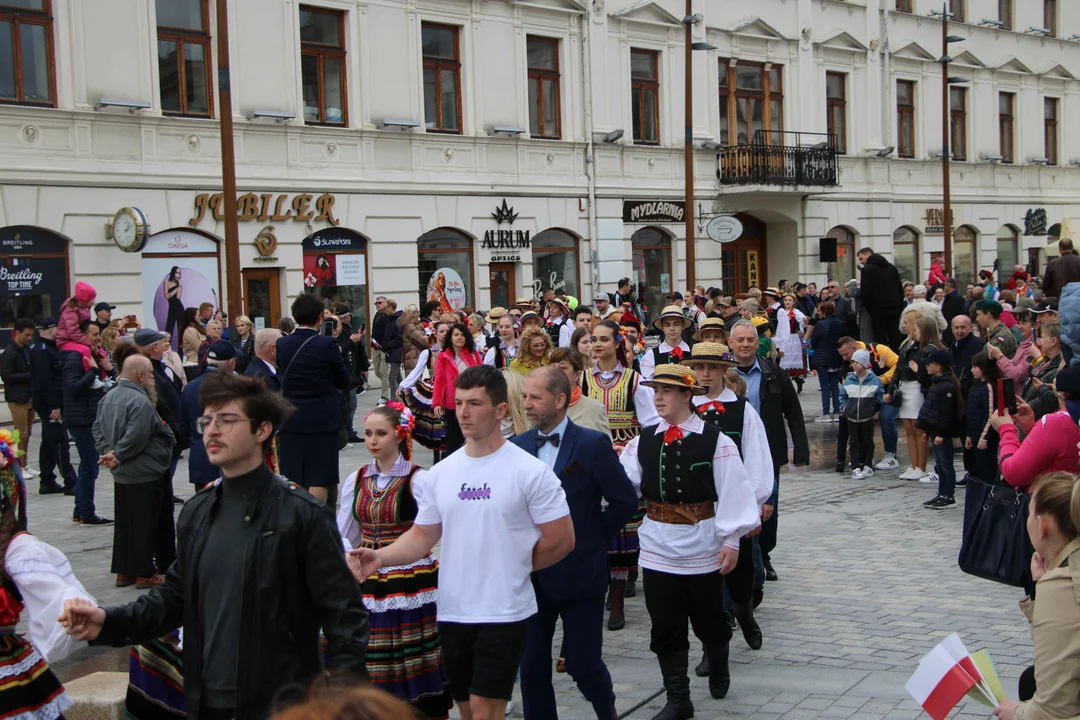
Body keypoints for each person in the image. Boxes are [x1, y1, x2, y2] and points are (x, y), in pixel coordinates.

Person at [61, 372, 371, 720]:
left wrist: (345, 698)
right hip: (205, 700)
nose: (211, 430)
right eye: (206, 420)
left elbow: (345, 616)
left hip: (284, 703)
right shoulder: (198, 511)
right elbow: (174, 597)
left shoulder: (302, 515)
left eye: (226, 420)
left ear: (263, 430)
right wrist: (107, 621)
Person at [347, 366, 573, 720]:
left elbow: (561, 540)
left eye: (475, 404)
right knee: (466, 711)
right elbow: (423, 535)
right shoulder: (441, 474)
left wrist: (511, 568)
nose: (463, 413)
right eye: (459, 403)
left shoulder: (529, 471)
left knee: (485, 712)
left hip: (504, 612)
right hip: (452, 611)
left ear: (500, 410)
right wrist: (380, 557)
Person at [618, 363, 760, 718]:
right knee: (665, 623)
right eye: (655, 391)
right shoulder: (642, 440)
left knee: (710, 619)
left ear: (686, 394)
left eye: (666, 391)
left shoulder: (716, 440)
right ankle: (678, 698)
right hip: (656, 545)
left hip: (702, 543)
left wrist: (731, 540)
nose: (658, 398)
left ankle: (719, 660)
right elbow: (623, 486)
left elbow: (733, 491)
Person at [515, 367, 637, 720]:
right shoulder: (517, 447)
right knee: (532, 666)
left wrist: (592, 536)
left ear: (560, 400)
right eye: (524, 396)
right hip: (531, 575)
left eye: (535, 397)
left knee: (583, 665)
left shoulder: (591, 444)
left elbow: (624, 500)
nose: (527, 404)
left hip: (581, 572)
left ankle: (606, 711)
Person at [336, 403, 453, 719]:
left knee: (408, 653)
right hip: (366, 576)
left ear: (400, 435)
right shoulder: (357, 478)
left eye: (381, 433)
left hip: (410, 579)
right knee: (367, 652)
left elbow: (433, 529)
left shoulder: (418, 480)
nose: (373, 441)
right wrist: (348, 555)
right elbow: (343, 530)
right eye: (369, 433)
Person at [684, 343, 773, 662]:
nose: (705, 374)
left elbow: (758, 459)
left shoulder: (742, 409)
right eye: (700, 367)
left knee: (739, 579)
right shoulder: (686, 408)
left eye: (711, 367)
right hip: (698, 509)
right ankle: (712, 649)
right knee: (707, 585)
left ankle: (745, 615)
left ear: (724, 370)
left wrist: (752, 507)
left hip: (733, 506)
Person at [583, 320, 659, 629]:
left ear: (618, 343)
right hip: (592, 457)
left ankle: (617, 598)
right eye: (594, 339)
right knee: (595, 524)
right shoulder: (584, 379)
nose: (597, 344)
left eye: (604, 339)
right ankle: (608, 585)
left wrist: (636, 451)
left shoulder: (633, 380)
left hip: (625, 457)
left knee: (624, 528)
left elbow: (651, 421)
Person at [991, 472, 1080, 720]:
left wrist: (1015, 712)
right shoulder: (1062, 577)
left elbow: (1051, 710)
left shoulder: (1062, 586)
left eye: (1029, 512)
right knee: (1029, 679)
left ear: (1042, 525)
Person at [729, 321, 808, 583]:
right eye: (739, 340)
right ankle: (739, 555)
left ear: (757, 342)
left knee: (767, 508)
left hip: (767, 451)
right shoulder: (722, 374)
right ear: (730, 343)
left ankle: (764, 555)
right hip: (730, 452)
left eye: (750, 339)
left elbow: (793, 411)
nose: (745, 344)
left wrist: (801, 449)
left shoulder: (772, 372)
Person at [93, 355, 176, 589]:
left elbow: (97, 427)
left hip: (123, 471)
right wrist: (117, 454)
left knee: (126, 523)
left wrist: (108, 451)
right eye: (150, 373)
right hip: (143, 470)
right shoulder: (140, 401)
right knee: (144, 523)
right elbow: (136, 435)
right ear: (140, 375)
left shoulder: (109, 396)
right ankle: (145, 572)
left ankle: (124, 571)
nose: (152, 378)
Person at [276, 293, 351, 503]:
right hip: (322, 419)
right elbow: (342, 380)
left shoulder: (282, 344)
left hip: (291, 419)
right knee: (319, 476)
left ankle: (297, 520)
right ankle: (317, 521)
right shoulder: (326, 345)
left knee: (294, 476)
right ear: (320, 317)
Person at [991, 366, 1080, 492]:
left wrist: (1006, 429)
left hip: (1053, 504)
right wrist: (1033, 429)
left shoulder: (1056, 424)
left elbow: (1013, 473)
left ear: (1063, 394)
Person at [62, 322, 111, 526]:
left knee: (88, 464)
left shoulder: (92, 353)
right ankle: (87, 513)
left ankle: (80, 511)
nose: (99, 338)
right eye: (95, 334)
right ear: (82, 336)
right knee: (90, 466)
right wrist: (92, 370)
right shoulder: (75, 356)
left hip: (89, 415)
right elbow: (73, 386)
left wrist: (106, 367)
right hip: (80, 418)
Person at [178, 341, 236, 491]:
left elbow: (183, 426)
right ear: (231, 363)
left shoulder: (190, 388)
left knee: (204, 510)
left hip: (201, 457)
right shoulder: (236, 387)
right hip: (231, 459)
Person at [887, 311, 938, 480]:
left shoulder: (926, 348)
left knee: (917, 427)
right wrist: (891, 388)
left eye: (908, 323)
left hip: (916, 387)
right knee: (908, 427)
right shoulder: (905, 344)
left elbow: (923, 371)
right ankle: (914, 464)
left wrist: (916, 371)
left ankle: (921, 466)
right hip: (905, 386)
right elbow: (899, 368)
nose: (904, 326)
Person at [30, 316, 78, 494]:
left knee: (49, 441)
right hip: (50, 404)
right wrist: (54, 406)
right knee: (60, 441)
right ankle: (70, 480)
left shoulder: (47, 348)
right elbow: (44, 381)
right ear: (51, 330)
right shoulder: (42, 351)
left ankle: (47, 480)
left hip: (52, 402)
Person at [915, 349, 964, 509]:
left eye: (929, 364)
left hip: (942, 433)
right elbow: (934, 412)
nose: (927, 367)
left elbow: (946, 413)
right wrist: (928, 430)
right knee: (939, 465)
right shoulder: (938, 384)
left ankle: (948, 495)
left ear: (938, 366)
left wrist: (941, 433)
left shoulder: (946, 387)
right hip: (936, 431)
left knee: (945, 464)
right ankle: (942, 493)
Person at [399, 322, 449, 462]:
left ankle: (446, 455)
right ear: (435, 333)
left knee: (448, 425)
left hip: (450, 389)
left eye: (447, 331)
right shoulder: (428, 353)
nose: (445, 333)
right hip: (433, 390)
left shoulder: (453, 351)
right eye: (442, 331)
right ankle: (436, 457)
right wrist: (403, 386)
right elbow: (417, 371)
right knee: (435, 424)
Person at [432, 322, 484, 455]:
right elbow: (439, 380)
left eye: (462, 335)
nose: (459, 337)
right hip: (452, 404)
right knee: (453, 437)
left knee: (472, 434)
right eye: (456, 335)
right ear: (451, 338)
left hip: (473, 401)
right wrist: (437, 402)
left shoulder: (474, 355)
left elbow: (482, 377)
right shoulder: (443, 357)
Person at [840, 349, 885, 479]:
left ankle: (868, 465)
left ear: (865, 364)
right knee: (853, 442)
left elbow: (879, 396)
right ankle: (855, 467)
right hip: (851, 416)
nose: (855, 365)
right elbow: (842, 395)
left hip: (867, 416)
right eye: (853, 362)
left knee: (868, 442)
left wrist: (880, 404)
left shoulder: (874, 380)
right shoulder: (849, 379)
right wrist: (844, 408)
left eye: (858, 362)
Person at [1, 318, 37, 477]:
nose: (29, 338)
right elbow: (6, 376)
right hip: (17, 399)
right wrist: (29, 376)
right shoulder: (9, 352)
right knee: (19, 433)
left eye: (31, 335)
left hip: (29, 396)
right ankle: (18, 467)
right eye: (26, 335)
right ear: (17, 333)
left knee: (27, 433)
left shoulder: (26, 350)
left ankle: (25, 463)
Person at [549, 347, 609, 436]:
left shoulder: (595, 409)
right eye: (552, 367)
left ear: (577, 375)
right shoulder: (540, 406)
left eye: (562, 367)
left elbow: (605, 447)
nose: (556, 372)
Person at [857, 247, 905, 349]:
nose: (861, 262)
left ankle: (883, 361)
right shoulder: (892, 268)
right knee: (894, 335)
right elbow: (900, 289)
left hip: (878, 309)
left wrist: (870, 307)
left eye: (861, 258)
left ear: (867, 255)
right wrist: (899, 305)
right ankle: (896, 358)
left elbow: (865, 292)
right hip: (894, 307)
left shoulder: (867, 269)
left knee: (880, 338)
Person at [964, 353, 1001, 484]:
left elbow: (990, 414)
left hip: (985, 437)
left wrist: (984, 437)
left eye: (976, 367)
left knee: (987, 470)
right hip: (976, 434)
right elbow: (971, 413)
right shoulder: (977, 386)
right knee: (979, 469)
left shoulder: (989, 387)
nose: (972, 370)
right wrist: (969, 434)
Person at [809, 302, 847, 422]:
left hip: (822, 359)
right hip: (837, 358)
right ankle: (837, 412)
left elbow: (814, 341)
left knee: (825, 386)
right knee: (835, 385)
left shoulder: (820, 324)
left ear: (824, 312)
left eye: (819, 311)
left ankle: (825, 413)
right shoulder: (840, 324)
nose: (818, 313)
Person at [1022, 321, 1066, 421]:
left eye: (1042, 337)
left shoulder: (1059, 369)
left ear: (1053, 341)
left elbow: (1047, 401)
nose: (1038, 341)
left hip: (1038, 420)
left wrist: (1023, 409)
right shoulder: (1044, 361)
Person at [640, 305, 692, 381]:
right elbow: (647, 387)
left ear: (683, 326)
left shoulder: (692, 352)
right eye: (667, 325)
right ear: (662, 327)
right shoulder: (651, 355)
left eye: (676, 324)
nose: (672, 329)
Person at [992, 308, 1036, 385]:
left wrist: (1000, 357)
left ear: (1035, 325)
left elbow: (1017, 375)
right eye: (1019, 323)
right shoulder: (1025, 344)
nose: (1019, 326)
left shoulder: (1032, 348)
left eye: (1023, 323)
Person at [773, 294, 808, 392]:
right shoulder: (781, 312)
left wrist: (805, 320)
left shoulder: (796, 312)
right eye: (786, 300)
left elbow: (804, 323)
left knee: (791, 362)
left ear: (793, 302)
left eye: (790, 300)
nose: (787, 302)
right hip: (783, 338)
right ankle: (789, 384)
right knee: (783, 361)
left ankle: (796, 380)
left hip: (793, 338)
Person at [399, 305, 429, 378]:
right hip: (413, 357)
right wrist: (429, 339)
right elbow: (422, 340)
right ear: (413, 313)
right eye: (417, 312)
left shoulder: (415, 324)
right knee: (415, 381)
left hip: (416, 355)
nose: (418, 313)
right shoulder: (410, 326)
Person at [371, 296, 391, 402]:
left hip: (384, 348)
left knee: (383, 372)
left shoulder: (388, 316)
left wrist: (386, 345)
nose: (378, 305)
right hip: (375, 347)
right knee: (377, 372)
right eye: (376, 303)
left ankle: (385, 396)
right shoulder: (377, 315)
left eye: (380, 303)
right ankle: (393, 380)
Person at [180, 307, 206, 382]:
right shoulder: (190, 331)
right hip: (194, 365)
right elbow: (200, 347)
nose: (200, 317)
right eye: (198, 315)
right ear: (192, 317)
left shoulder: (196, 328)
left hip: (199, 364)